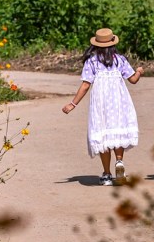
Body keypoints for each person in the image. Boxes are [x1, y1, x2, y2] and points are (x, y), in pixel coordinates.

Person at [62, 28, 144, 186]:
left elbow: (86, 85)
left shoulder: (91, 62)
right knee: (117, 131)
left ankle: (107, 174)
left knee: (103, 134)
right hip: (118, 103)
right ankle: (119, 162)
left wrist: (73, 104)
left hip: (100, 104)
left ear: (96, 45)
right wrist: (139, 71)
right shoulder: (120, 60)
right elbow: (133, 79)